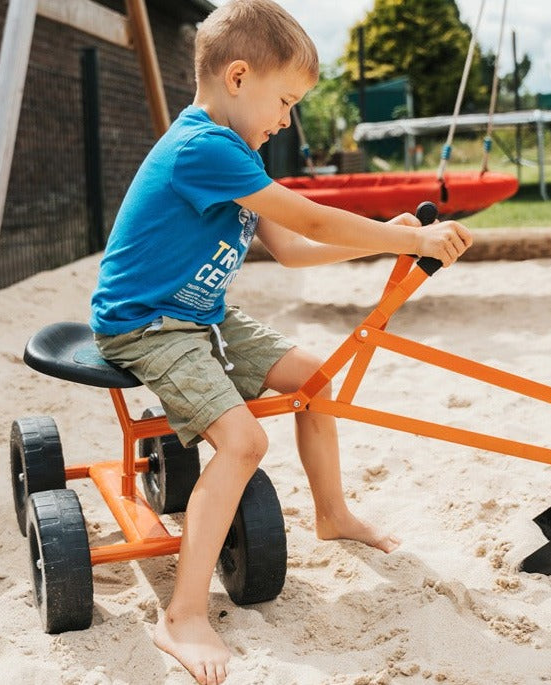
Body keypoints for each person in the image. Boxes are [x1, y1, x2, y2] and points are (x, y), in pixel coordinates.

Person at [90, 1, 472, 682]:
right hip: (147, 320)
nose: (287, 119)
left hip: (199, 313)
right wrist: (408, 237)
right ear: (237, 77)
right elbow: (311, 221)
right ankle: (181, 614)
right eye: (285, 100)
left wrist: (387, 238)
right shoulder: (202, 148)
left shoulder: (234, 151)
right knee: (244, 442)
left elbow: (293, 246)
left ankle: (332, 513)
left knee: (315, 380)